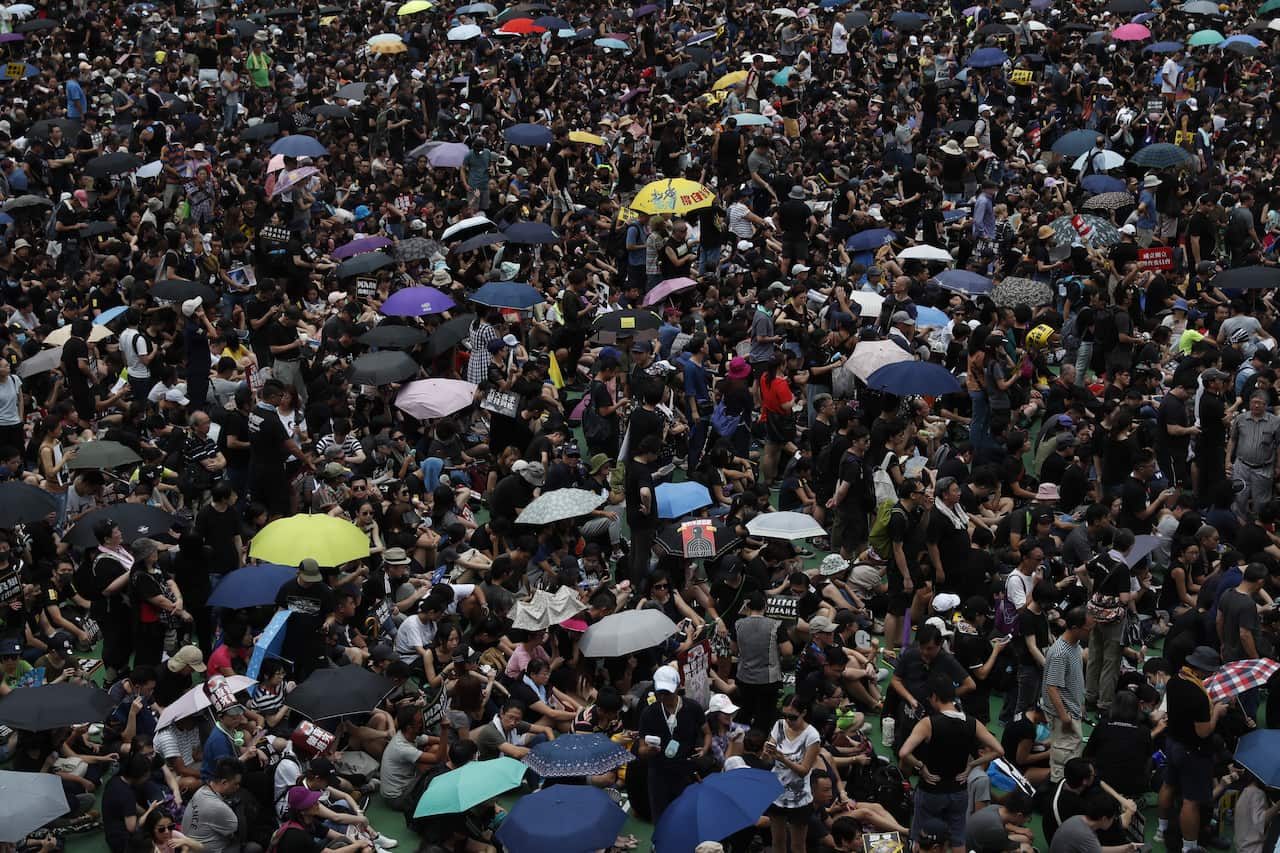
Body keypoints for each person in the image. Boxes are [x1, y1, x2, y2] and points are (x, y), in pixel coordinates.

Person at [899, 675, 1004, 853]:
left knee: (920, 839)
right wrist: (972, 765)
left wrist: (921, 767)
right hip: (958, 790)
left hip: (931, 790)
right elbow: (999, 751)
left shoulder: (928, 723)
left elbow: (903, 753)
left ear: (934, 697)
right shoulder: (973, 723)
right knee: (957, 840)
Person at [1157, 646, 1230, 851]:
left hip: (1172, 742)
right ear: (1203, 670)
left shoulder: (1175, 681)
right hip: (1192, 750)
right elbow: (1204, 732)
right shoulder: (1198, 695)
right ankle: (1189, 847)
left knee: (1169, 784)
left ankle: (1161, 830)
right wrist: (1215, 712)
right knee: (1192, 801)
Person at [637, 665, 710, 821]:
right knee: (660, 814)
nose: (663, 697)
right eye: (660, 693)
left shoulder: (693, 708)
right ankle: (659, 844)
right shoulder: (649, 713)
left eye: (667, 693)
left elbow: (707, 733)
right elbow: (641, 749)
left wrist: (704, 748)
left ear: (678, 687)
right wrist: (647, 752)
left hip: (685, 770)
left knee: (685, 812)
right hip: (658, 772)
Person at [1042, 607, 1091, 783]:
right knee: (1063, 762)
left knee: (1072, 757)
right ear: (1076, 627)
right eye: (1088, 629)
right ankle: (1059, 797)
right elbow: (1052, 687)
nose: (1091, 632)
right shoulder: (1060, 652)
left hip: (1073, 709)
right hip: (1064, 714)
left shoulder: (1075, 646)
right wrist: (1064, 718)